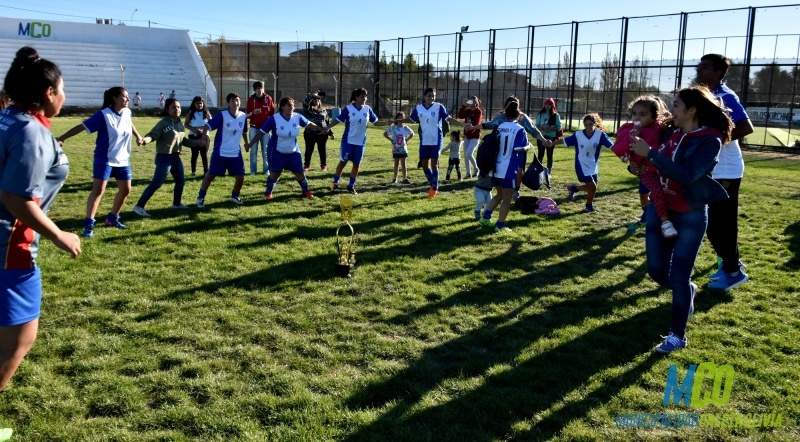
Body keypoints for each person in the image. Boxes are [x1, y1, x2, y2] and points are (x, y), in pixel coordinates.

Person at [0, 46, 81, 393]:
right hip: (10, 250)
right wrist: (58, 235)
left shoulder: (7, 118)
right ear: (49, 92)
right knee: (18, 341)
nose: (65, 95)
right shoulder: (31, 132)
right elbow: (15, 197)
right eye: (62, 88)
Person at [629, 86, 732, 353]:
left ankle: (677, 335)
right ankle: (687, 290)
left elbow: (687, 175)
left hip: (690, 214)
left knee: (679, 275)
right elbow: (651, 159)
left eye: (675, 105)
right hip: (659, 208)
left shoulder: (710, 140)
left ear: (692, 109)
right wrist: (637, 164)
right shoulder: (670, 130)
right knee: (656, 270)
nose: (669, 109)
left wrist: (650, 154)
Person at [695, 53, 753, 291]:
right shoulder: (705, 96)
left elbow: (745, 126)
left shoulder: (724, 96)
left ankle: (733, 271)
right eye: (699, 66)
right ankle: (731, 264)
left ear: (718, 72)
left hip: (725, 171)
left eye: (706, 67)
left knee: (720, 223)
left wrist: (714, 139)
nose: (700, 70)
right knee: (714, 223)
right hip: (712, 170)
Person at [57, 86, 143, 237]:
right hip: (104, 159)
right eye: (124, 97)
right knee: (98, 191)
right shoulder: (103, 115)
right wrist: (62, 137)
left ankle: (112, 218)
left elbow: (129, 123)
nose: (128, 99)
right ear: (114, 99)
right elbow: (82, 127)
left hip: (123, 159)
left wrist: (137, 136)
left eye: (128, 97)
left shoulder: (128, 112)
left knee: (125, 190)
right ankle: (89, 224)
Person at [611, 95, 676, 236]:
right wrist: (630, 138)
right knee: (656, 191)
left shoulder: (661, 127)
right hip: (645, 171)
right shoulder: (627, 129)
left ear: (655, 116)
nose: (637, 118)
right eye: (634, 114)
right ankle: (665, 222)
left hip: (662, 170)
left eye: (643, 114)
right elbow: (617, 149)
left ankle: (655, 219)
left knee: (666, 194)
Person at [132, 98, 208, 217]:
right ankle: (139, 206)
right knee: (156, 183)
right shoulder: (164, 123)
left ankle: (176, 204)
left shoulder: (179, 124)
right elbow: (153, 135)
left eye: (178, 107)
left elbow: (184, 141)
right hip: (164, 157)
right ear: (167, 109)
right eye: (173, 107)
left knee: (180, 181)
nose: (177, 109)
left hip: (175, 157)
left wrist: (197, 143)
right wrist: (144, 140)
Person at [471, 95, 552, 202]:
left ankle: (515, 191)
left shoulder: (522, 118)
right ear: (506, 106)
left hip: (519, 151)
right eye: (510, 105)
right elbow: (490, 125)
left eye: (515, 105)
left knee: (519, 170)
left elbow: (533, 130)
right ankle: (501, 192)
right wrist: (473, 127)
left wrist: (543, 140)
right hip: (503, 151)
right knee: (501, 170)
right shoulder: (501, 118)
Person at [248, 97, 327, 199]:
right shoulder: (274, 119)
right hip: (277, 152)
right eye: (289, 105)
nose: (292, 107)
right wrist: (250, 144)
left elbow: (309, 124)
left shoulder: (297, 117)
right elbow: (261, 133)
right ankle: (268, 192)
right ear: (282, 107)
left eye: (293, 105)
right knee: (275, 174)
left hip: (293, 152)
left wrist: (321, 129)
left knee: (299, 173)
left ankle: (306, 191)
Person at [401, 88, 466, 198]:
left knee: (434, 164)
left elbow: (448, 119)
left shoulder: (439, 107)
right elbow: (412, 120)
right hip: (424, 140)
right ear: (424, 97)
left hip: (436, 139)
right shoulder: (418, 108)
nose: (431, 98)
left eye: (433, 96)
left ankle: (434, 188)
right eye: (429, 96)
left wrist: (463, 125)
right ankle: (433, 183)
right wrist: (399, 121)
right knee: (425, 165)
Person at [477, 102, 532, 233]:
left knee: (500, 194)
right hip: (508, 169)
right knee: (507, 199)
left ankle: (485, 218)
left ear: (506, 114)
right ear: (519, 116)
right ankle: (500, 225)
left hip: (495, 167)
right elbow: (519, 149)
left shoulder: (500, 127)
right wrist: (528, 146)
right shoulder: (519, 129)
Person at [327, 88, 388, 195]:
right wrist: (327, 128)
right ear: (356, 97)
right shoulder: (349, 108)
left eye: (365, 96)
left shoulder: (367, 109)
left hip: (360, 142)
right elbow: (338, 120)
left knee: (356, 164)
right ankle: (335, 184)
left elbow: (376, 122)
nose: (364, 99)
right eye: (362, 96)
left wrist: (388, 123)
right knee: (343, 162)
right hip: (348, 141)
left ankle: (351, 186)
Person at [195, 92, 247, 208]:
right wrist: (203, 138)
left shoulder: (243, 116)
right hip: (221, 152)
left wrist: (247, 144)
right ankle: (200, 197)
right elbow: (207, 126)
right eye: (233, 101)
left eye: (237, 100)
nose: (235, 103)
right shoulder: (222, 115)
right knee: (211, 175)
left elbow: (243, 131)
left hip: (235, 153)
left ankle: (234, 196)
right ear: (228, 103)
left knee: (240, 177)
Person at [552, 113, 613, 213]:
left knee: (593, 188)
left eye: (590, 124)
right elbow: (565, 140)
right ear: (584, 125)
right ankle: (589, 206)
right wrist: (552, 143)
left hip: (593, 164)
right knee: (592, 187)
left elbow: (612, 145)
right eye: (586, 124)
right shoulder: (578, 135)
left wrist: (622, 153)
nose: (588, 127)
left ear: (595, 124)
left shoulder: (600, 135)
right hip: (581, 164)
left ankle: (573, 188)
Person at [246, 81, 275, 176]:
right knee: (253, 150)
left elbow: (272, 114)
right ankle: (253, 170)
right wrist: (253, 113)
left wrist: (270, 126)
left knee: (265, 151)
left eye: (261, 88)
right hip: (254, 128)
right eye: (258, 88)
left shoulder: (269, 98)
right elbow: (246, 115)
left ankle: (266, 170)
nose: (260, 90)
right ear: (254, 90)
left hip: (265, 129)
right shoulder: (250, 100)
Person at [303, 96, 332, 171]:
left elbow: (327, 121)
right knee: (309, 149)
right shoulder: (308, 109)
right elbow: (305, 102)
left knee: (322, 150)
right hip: (310, 133)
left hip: (322, 134)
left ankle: (323, 165)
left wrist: (330, 132)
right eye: (315, 99)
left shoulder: (323, 110)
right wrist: (312, 95)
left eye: (318, 99)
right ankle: (306, 165)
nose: (317, 100)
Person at [383, 112, 414, 184]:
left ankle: (404, 178)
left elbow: (412, 133)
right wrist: (391, 140)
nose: (400, 120)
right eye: (399, 118)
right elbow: (385, 133)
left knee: (403, 163)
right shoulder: (393, 128)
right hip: (396, 148)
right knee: (396, 163)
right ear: (396, 119)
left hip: (403, 148)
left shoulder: (405, 128)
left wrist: (407, 140)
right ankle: (395, 178)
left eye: (402, 118)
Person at [184, 96, 211, 177]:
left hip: (204, 136)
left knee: (204, 154)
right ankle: (193, 172)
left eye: (201, 103)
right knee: (194, 154)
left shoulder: (206, 112)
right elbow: (186, 124)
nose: (200, 105)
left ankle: (206, 172)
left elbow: (211, 123)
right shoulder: (191, 112)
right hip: (194, 136)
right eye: (197, 103)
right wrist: (194, 129)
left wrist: (209, 121)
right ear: (194, 104)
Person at [457, 96, 483, 178]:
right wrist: (464, 106)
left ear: (476, 103)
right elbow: (460, 116)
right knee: (466, 155)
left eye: (473, 101)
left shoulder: (478, 111)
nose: (471, 102)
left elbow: (476, 123)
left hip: (475, 136)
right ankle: (468, 173)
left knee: (469, 153)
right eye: (470, 101)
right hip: (467, 136)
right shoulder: (467, 111)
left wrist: (469, 129)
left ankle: (476, 168)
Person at [535, 98, 562, 173]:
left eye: (549, 105)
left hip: (551, 137)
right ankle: (538, 171)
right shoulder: (540, 115)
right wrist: (542, 128)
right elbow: (536, 126)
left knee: (549, 155)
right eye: (546, 104)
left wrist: (551, 128)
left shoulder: (556, 115)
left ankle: (548, 171)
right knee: (540, 154)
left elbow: (559, 127)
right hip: (542, 136)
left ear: (552, 106)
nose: (547, 106)